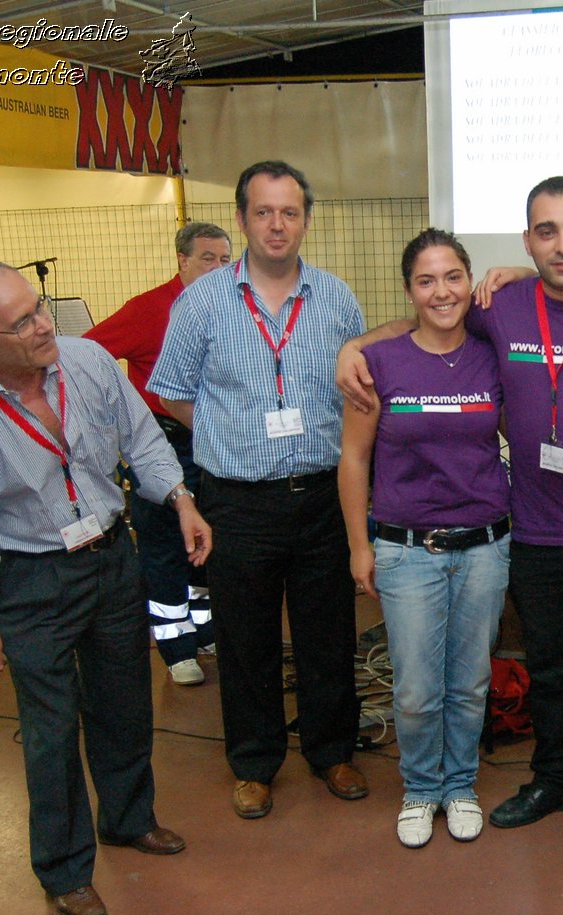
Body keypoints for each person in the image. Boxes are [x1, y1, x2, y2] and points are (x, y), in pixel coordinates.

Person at [338, 177, 563, 861]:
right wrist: (353, 348)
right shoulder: (507, 307)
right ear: (527, 241)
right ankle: (557, 781)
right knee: (547, 670)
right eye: (546, 232)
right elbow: (428, 321)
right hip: (540, 531)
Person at [0, 262, 210, 915]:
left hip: (111, 557)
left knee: (124, 702)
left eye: (40, 307)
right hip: (33, 579)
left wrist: (181, 500)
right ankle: (63, 870)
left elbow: (143, 437)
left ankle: (129, 818)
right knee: (51, 732)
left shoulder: (85, 361)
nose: (44, 325)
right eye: (22, 320)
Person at [149, 160, 369, 819]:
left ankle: (332, 751)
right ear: (244, 218)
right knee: (245, 640)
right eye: (264, 212)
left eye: (290, 212)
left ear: (306, 219)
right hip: (236, 500)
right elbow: (171, 390)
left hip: (321, 496)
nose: (278, 224)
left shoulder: (336, 299)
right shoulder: (203, 301)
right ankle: (254, 763)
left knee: (328, 632)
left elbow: (357, 390)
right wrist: (225, 432)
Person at [337, 229, 511, 848]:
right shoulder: (378, 363)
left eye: (453, 277)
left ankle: (459, 785)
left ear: (470, 281)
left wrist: (509, 272)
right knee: (413, 687)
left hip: (486, 547)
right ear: (409, 290)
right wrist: (361, 546)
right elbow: (354, 460)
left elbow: (532, 286)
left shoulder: (493, 353)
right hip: (407, 549)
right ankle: (419, 788)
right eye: (426, 280)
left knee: (468, 681)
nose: (442, 292)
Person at [84, 221, 231, 686]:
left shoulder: (232, 309)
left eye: (226, 259)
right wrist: (115, 419)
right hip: (162, 441)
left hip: (217, 441)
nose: (219, 268)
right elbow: (87, 353)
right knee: (166, 542)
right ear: (182, 261)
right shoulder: (148, 310)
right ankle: (175, 646)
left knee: (210, 541)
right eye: (208, 258)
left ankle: (204, 629)